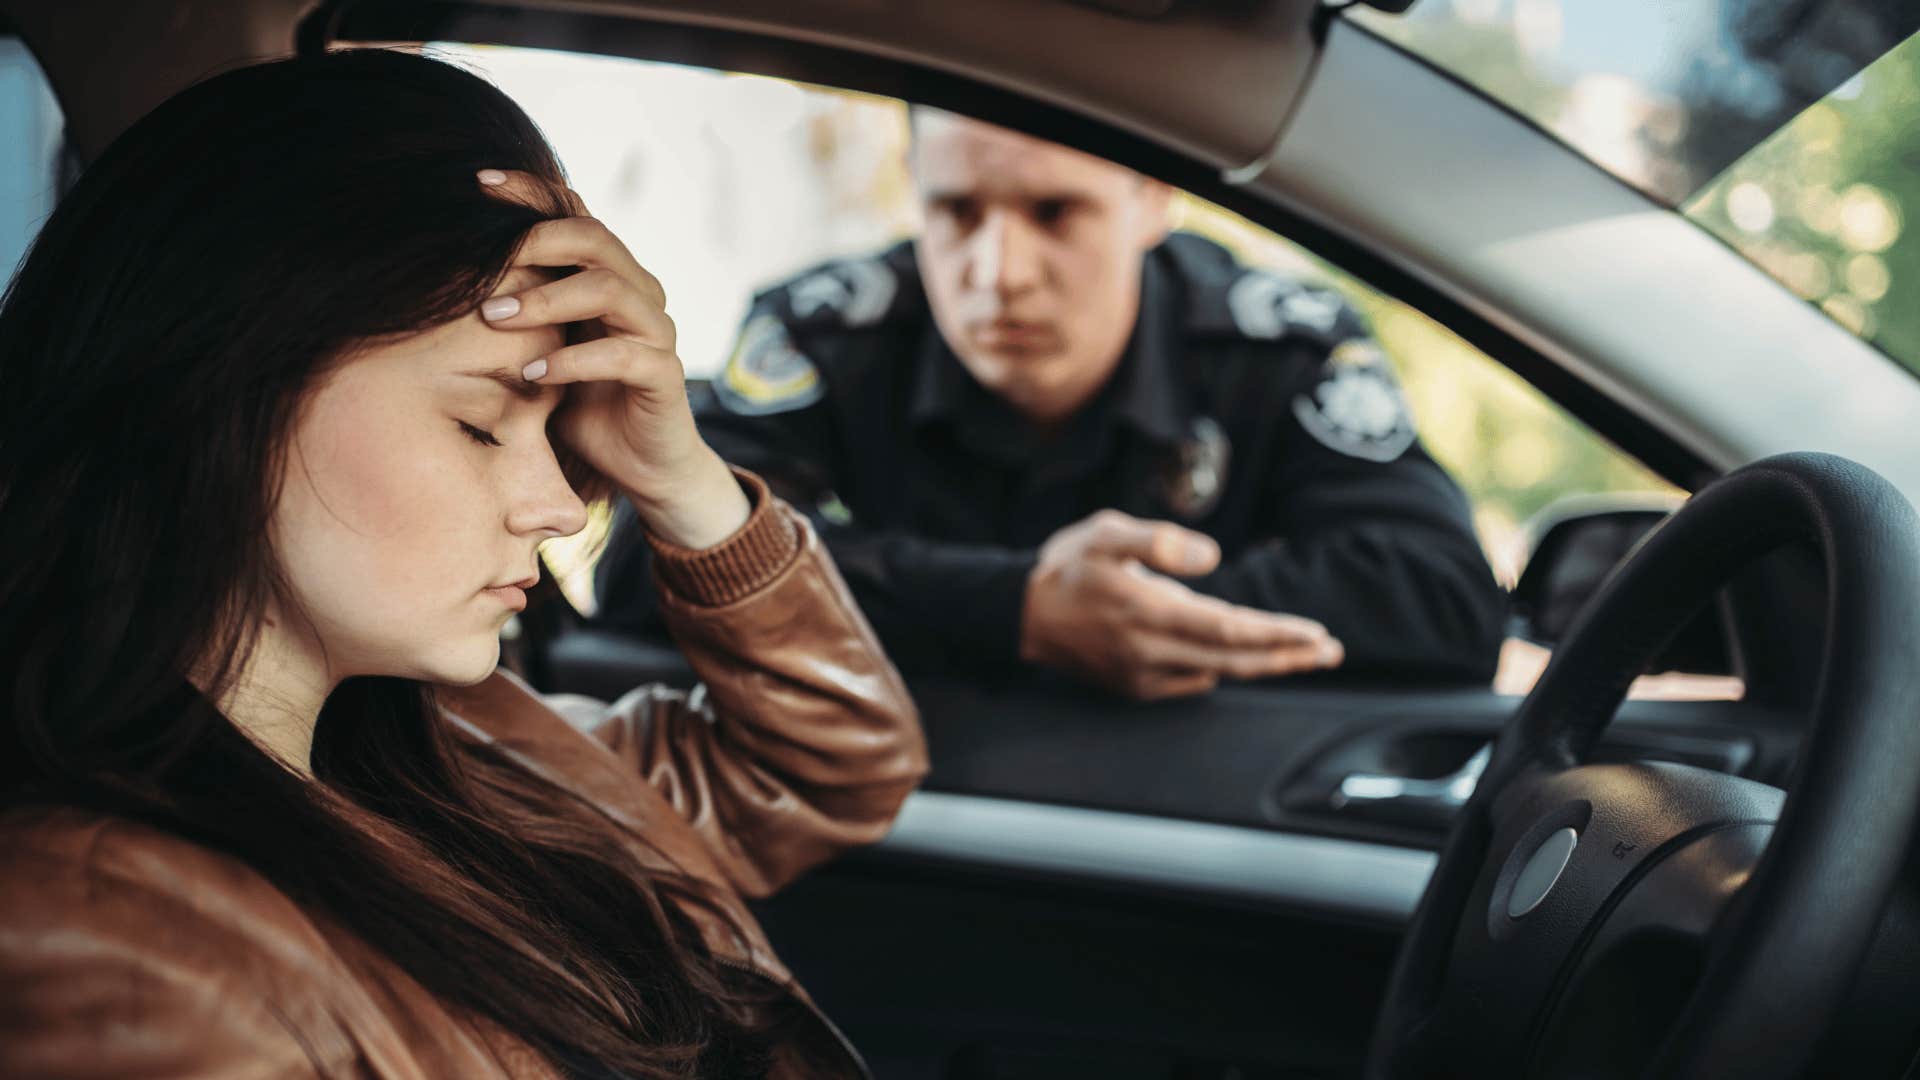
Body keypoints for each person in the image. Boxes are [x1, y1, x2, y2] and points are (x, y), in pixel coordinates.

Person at [0, 51, 925, 1078]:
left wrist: (685, 480)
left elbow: (833, 770)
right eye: (483, 424)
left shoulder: (466, 747)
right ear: (219, 391)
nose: (558, 502)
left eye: (556, 429)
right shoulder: (102, 934)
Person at [594, 109, 1507, 699]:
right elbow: (644, 564)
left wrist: (1119, 613)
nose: (998, 275)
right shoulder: (827, 334)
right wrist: (1016, 608)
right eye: (956, 212)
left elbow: (1442, 598)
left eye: (1055, 213)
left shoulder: (1273, 343)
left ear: (1154, 200)